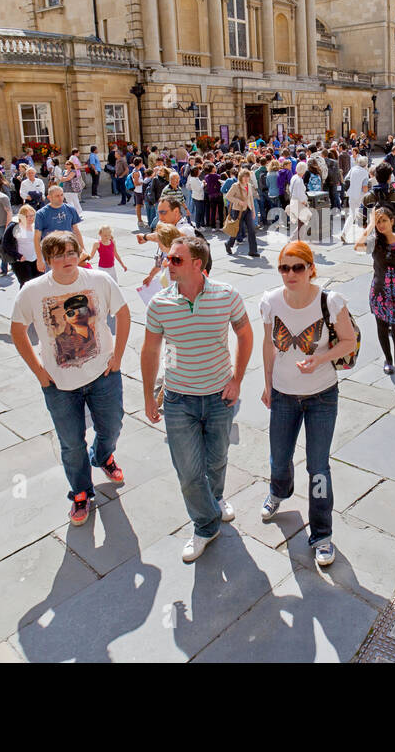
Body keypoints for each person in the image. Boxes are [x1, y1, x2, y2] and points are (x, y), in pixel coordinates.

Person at [141, 236, 254, 563]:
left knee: (216, 460)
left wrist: (237, 380)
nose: (167, 263)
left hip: (220, 396)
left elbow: (245, 335)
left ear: (197, 264)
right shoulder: (160, 303)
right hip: (178, 400)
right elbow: (150, 350)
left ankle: (215, 498)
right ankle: (206, 525)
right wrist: (149, 395)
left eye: (176, 259)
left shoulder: (226, 295)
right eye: (168, 258)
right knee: (189, 471)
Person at [10, 230, 130, 526]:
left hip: (103, 374)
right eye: (59, 255)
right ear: (48, 259)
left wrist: (117, 358)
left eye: (71, 252)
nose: (66, 259)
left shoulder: (99, 280)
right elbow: (17, 330)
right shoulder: (33, 290)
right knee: (71, 443)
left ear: (79, 253)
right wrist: (39, 371)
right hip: (59, 384)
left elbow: (124, 314)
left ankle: (103, 457)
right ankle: (80, 493)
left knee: (113, 425)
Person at [260, 240, 358, 568]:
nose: (290, 274)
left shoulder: (330, 301)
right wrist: (267, 383)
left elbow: (349, 341)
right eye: (284, 268)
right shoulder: (271, 301)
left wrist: (320, 359)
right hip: (284, 395)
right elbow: (268, 344)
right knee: (279, 458)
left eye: (297, 267)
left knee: (318, 468)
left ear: (310, 268)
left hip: (321, 396)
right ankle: (279, 491)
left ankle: (322, 534)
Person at [355, 206, 395, 398]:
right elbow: (358, 247)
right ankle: (388, 360)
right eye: (378, 221)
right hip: (379, 293)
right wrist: (371, 223)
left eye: (384, 221)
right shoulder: (374, 241)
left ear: (392, 221)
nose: (381, 225)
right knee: (382, 328)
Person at [33, 185, 84, 273]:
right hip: (52, 252)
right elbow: (37, 237)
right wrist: (39, 259)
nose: (60, 198)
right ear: (49, 197)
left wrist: (82, 249)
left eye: (61, 195)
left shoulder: (70, 209)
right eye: (57, 196)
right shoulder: (41, 214)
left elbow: (76, 230)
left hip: (70, 249)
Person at [224, 168, 260, 257]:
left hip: (248, 210)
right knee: (236, 230)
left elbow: (251, 199)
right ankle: (229, 243)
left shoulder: (249, 185)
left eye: (248, 177)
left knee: (251, 230)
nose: (247, 179)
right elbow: (228, 196)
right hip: (238, 211)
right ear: (241, 177)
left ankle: (253, 250)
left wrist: (253, 211)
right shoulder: (236, 186)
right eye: (245, 177)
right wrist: (238, 201)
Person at [6, 204, 41, 285]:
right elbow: (6, 244)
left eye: (32, 215)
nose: (31, 218)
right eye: (28, 216)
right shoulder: (15, 226)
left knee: (39, 284)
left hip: (36, 259)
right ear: (22, 216)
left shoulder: (36, 225)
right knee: (26, 285)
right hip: (21, 261)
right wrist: (18, 256)